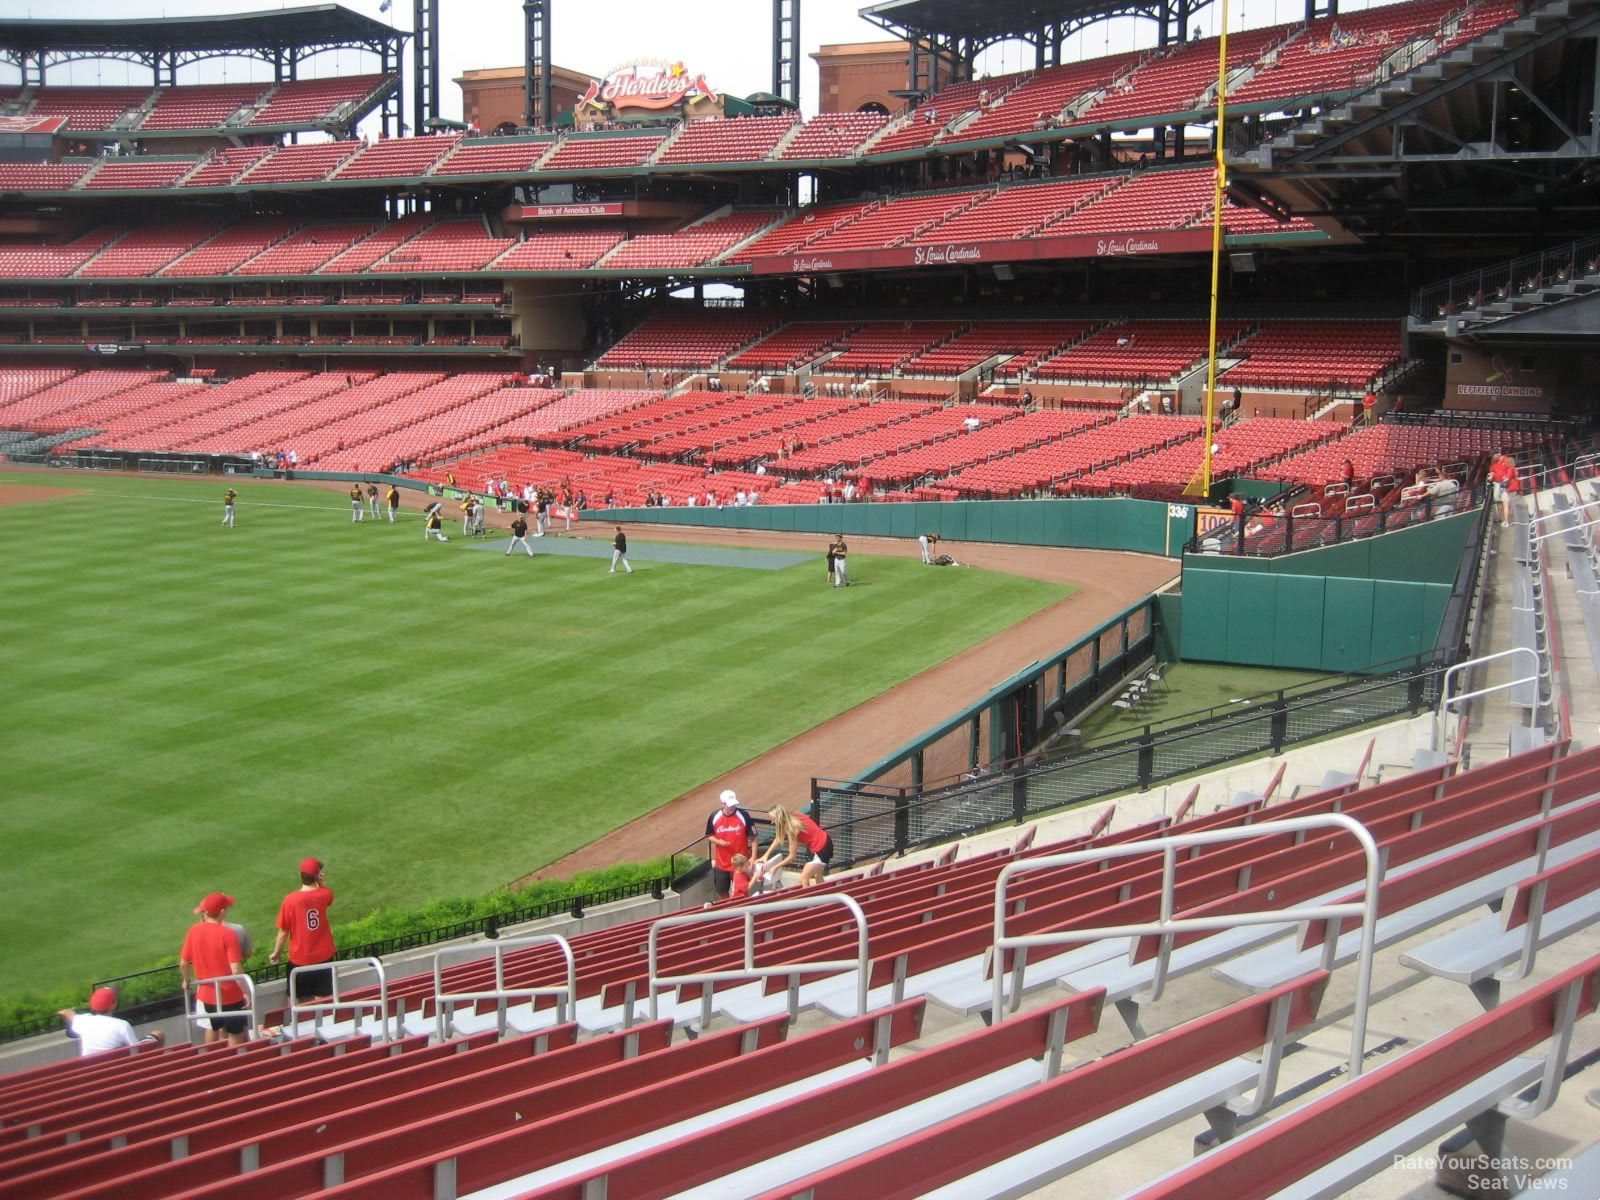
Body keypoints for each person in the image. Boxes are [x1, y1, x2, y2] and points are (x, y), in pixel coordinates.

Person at [179, 893, 247, 1045]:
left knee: (216, 1028)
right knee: (235, 1034)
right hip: (231, 995)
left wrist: (187, 981)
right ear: (222, 911)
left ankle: (214, 1064)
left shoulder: (194, 930)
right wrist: (245, 991)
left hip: (208, 995)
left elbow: (183, 963)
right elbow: (235, 969)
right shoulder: (228, 934)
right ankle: (237, 1066)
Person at [269, 857, 336, 1006]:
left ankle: (298, 1026)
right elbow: (328, 898)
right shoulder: (325, 894)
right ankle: (322, 1025)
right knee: (323, 997)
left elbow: (284, 932)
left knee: (295, 997)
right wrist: (321, 883)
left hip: (300, 957)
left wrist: (276, 953)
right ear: (317, 875)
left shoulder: (290, 900)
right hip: (324, 955)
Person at [57, 987, 164, 1056]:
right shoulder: (122, 1025)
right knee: (158, 1035)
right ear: (113, 1005)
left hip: (92, 1072)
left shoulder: (83, 1021)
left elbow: (67, 1012)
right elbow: (136, 1050)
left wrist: (66, 1018)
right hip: (119, 1070)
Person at [762, 804, 832, 887]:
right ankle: (824, 895)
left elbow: (792, 856)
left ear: (779, 818)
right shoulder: (793, 815)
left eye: (773, 819)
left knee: (803, 878)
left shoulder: (792, 830)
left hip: (821, 849)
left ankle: (810, 899)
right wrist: (765, 855)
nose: (772, 822)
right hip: (825, 842)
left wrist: (776, 867)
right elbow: (778, 837)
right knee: (818, 876)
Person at [705, 788, 757, 900]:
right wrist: (718, 841)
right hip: (721, 864)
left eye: (733, 805)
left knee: (741, 894)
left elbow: (754, 837)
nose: (732, 808)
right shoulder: (714, 816)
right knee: (722, 893)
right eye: (729, 805)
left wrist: (753, 857)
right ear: (722, 804)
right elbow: (709, 836)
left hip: (739, 864)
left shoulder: (743, 815)